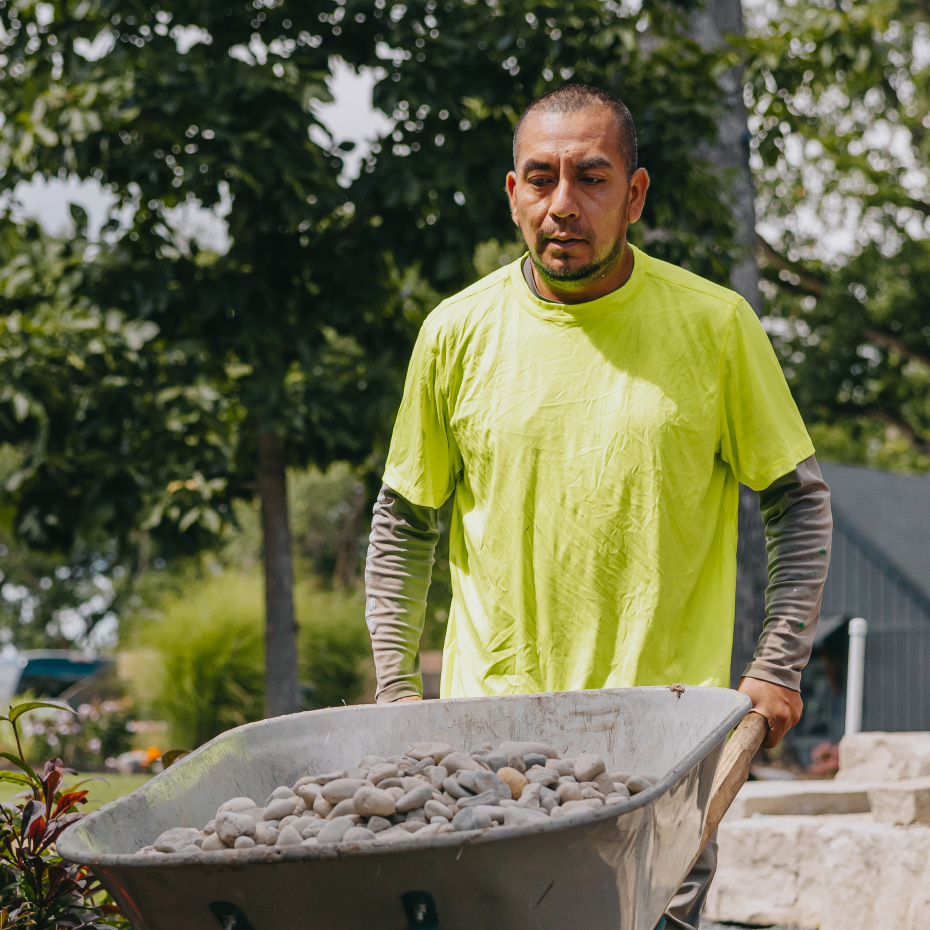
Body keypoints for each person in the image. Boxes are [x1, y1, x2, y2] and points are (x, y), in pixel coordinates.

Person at [364, 84, 832, 930]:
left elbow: (798, 502)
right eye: (540, 179)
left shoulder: (716, 326)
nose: (563, 206)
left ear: (636, 193)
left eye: (592, 177)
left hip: (663, 746)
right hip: (488, 752)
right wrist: (397, 694)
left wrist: (777, 667)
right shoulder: (454, 334)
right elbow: (404, 522)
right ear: (513, 194)